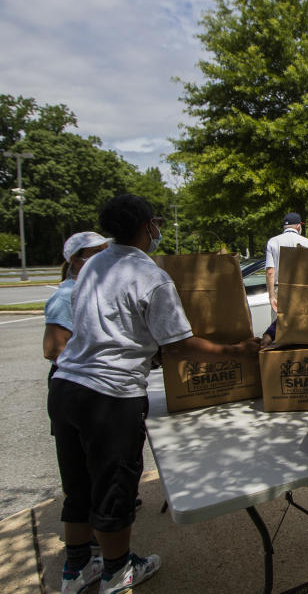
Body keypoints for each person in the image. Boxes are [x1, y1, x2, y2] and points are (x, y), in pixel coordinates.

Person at [49, 194, 261, 594]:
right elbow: (180, 345)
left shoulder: (93, 264)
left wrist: (146, 347)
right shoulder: (150, 275)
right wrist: (237, 351)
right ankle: (116, 570)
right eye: (157, 223)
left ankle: (76, 570)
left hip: (65, 386)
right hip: (110, 395)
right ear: (148, 226)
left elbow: (106, 324)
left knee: (78, 487)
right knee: (114, 487)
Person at [43, 232, 112, 377]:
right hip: (80, 382)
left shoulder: (100, 290)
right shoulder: (66, 296)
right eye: (96, 251)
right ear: (74, 259)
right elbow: (53, 350)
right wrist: (90, 374)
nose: (104, 255)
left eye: (106, 250)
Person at [265, 212, 308, 313]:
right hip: (301, 291)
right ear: (299, 226)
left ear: (285, 227)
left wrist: (271, 296)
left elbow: (270, 272)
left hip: (280, 290)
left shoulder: (272, 242)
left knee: (279, 326)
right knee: (300, 325)